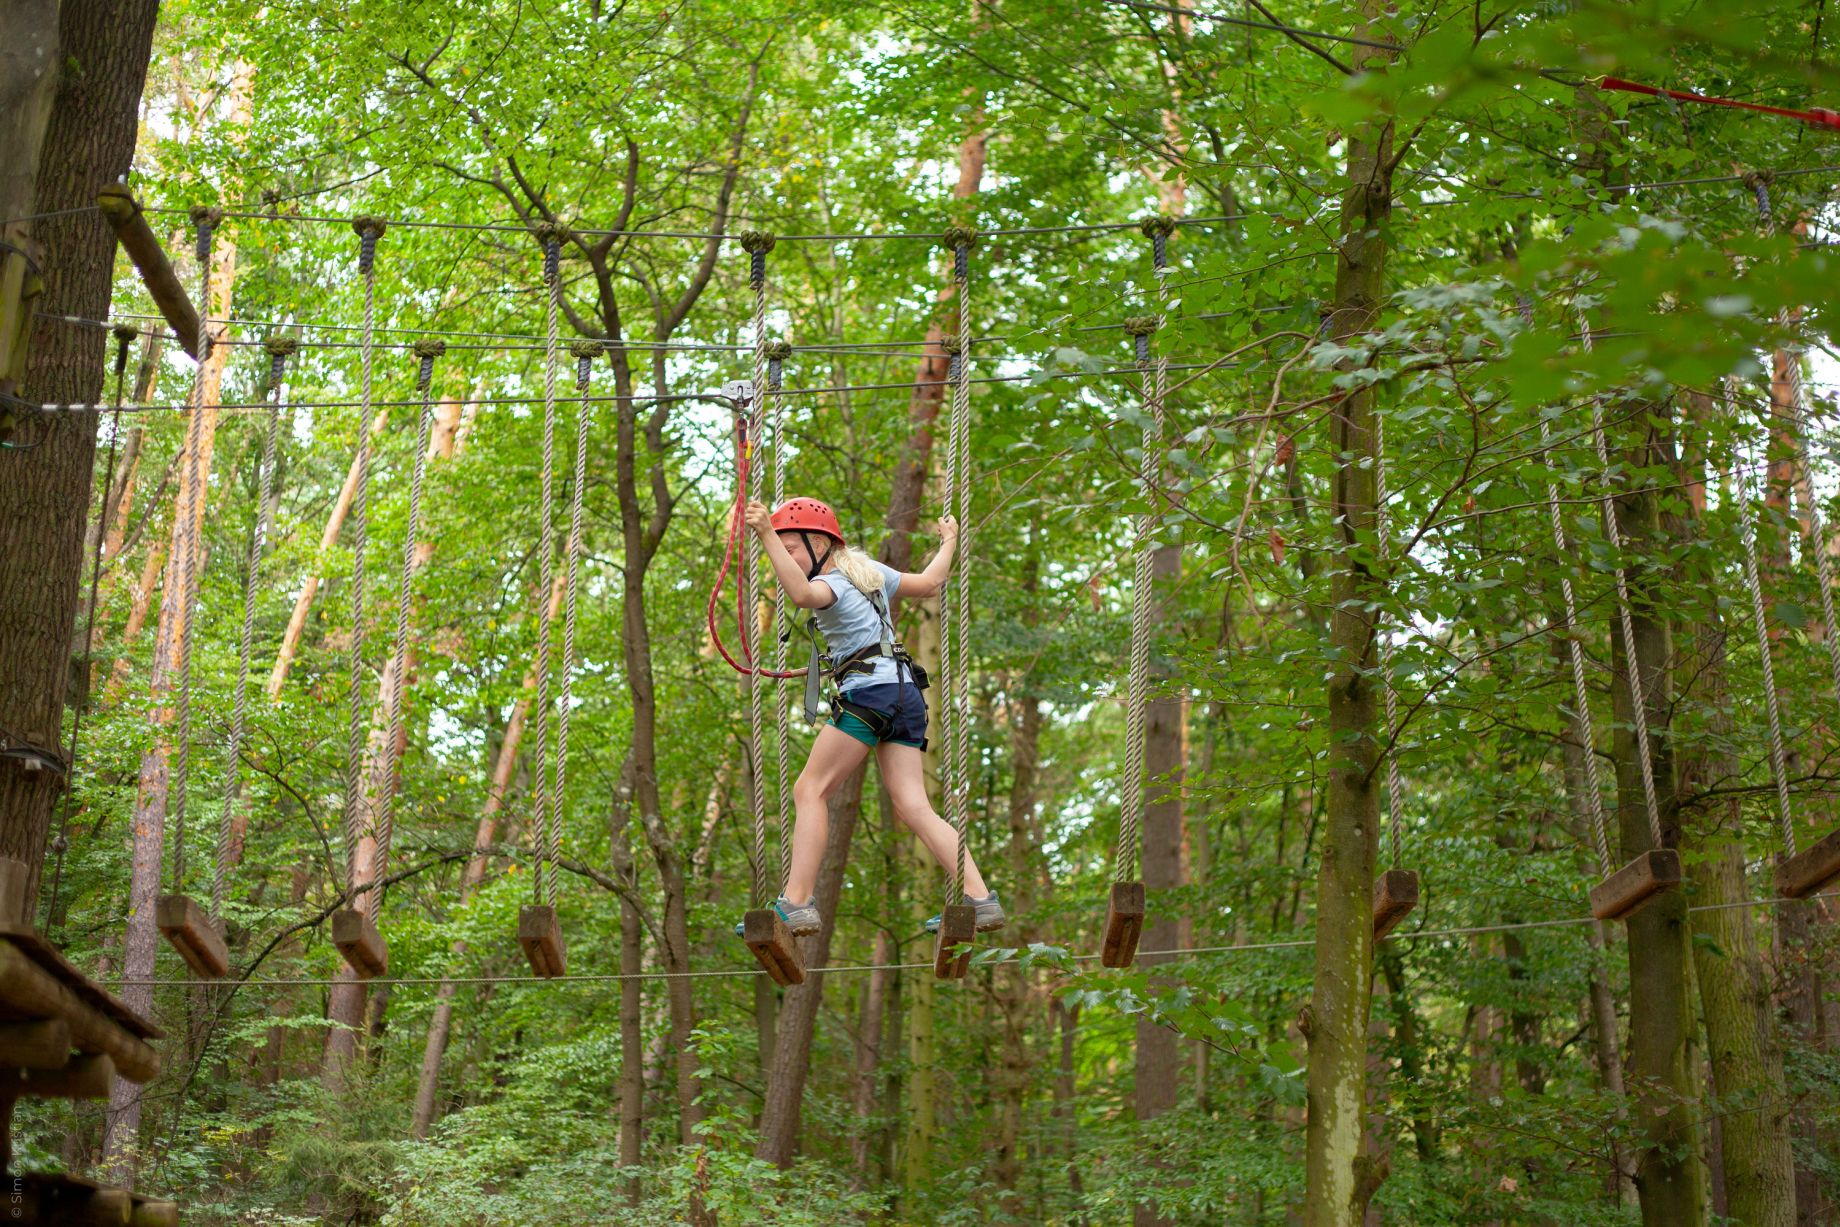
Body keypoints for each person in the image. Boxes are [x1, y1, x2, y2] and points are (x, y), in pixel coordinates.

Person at [738, 496, 1003, 938]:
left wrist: (766, 532)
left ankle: (797, 903)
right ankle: (981, 899)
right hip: (905, 695)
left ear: (819, 542)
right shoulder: (870, 574)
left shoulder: (835, 582)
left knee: (810, 789)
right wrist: (951, 542)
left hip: (872, 695)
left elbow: (803, 595)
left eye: (791, 547)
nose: (785, 556)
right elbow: (932, 582)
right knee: (914, 805)